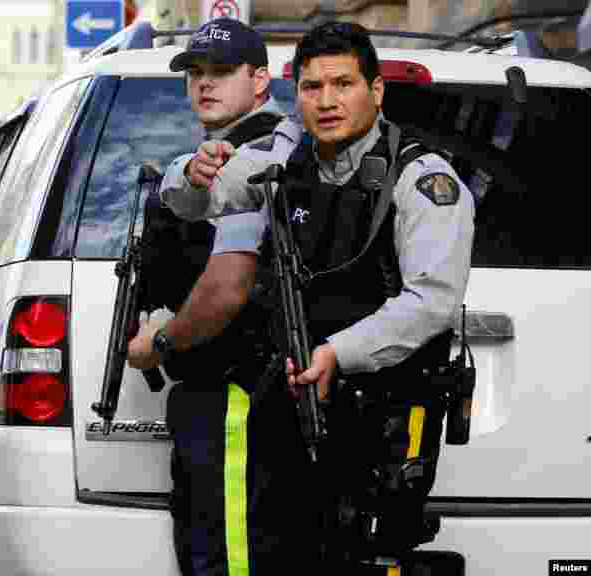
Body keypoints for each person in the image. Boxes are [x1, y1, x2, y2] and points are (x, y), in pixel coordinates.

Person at [159, 21, 476, 572]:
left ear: (375, 91)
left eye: (343, 84)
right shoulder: (285, 166)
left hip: (380, 417)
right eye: (311, 87)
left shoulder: (421, 180)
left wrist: (337, 354)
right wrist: (189, 170)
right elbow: (194, 199)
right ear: (296, 93)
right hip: (291, 405)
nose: (326, 101)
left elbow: (431, 301)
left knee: (354, 554)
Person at [124, 17, 301, 576]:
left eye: (222, 72)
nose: (205, 83)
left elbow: (229, 287)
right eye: (195, 73)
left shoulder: (266, 155)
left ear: (260, 81)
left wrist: (160, 343)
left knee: (228, 560)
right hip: (220, 392)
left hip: (241, 390)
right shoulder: (205, 160)